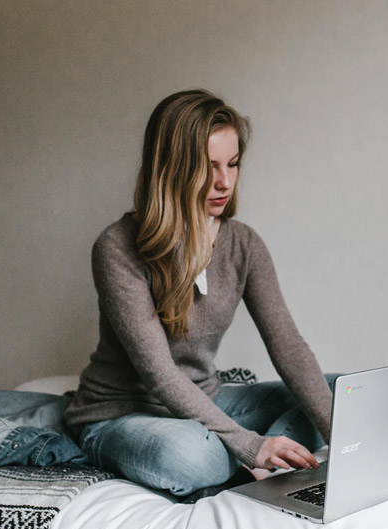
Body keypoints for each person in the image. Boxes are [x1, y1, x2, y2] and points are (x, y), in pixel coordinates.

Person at [64, 89, 336, 501]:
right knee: (191, 457)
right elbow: (159, 374)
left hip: (210, 401)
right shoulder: (117, 247)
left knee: (340, 392)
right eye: (207, 168)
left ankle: (269, 461)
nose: (224, 182)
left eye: (232, 164)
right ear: (171, 168)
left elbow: (288, 347)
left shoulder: (243, 244)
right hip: (123, 414)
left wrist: (344, 436)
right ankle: (255, 456)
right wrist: (249, 444)